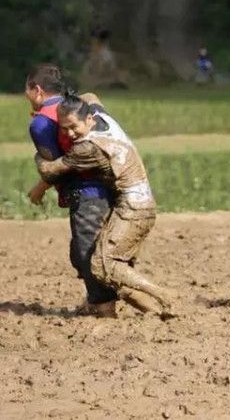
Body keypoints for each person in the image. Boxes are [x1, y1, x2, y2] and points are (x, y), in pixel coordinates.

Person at [35, 93, 173, 318]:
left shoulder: (87, 148)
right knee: (103, 264)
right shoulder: (103, 116)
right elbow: (90, 95)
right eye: (63, 128)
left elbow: (49, 171)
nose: (70, 134)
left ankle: (164, 295)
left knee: (102, 265)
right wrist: (68, 102)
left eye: (73, 127)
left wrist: (39, 154)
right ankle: (154, 310)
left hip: (133, 208)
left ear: (89, 119)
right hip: (139, 202)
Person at [25, 64, 118, 317]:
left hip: (88, 193)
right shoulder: (77, 106)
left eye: (27, 90)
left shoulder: (42, 123)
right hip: (113, 185)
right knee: (80, 252)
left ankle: (104, 306)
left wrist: (39, 188)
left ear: (37, 90)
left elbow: (55, 167)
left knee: (87, 252)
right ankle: (99, 298)